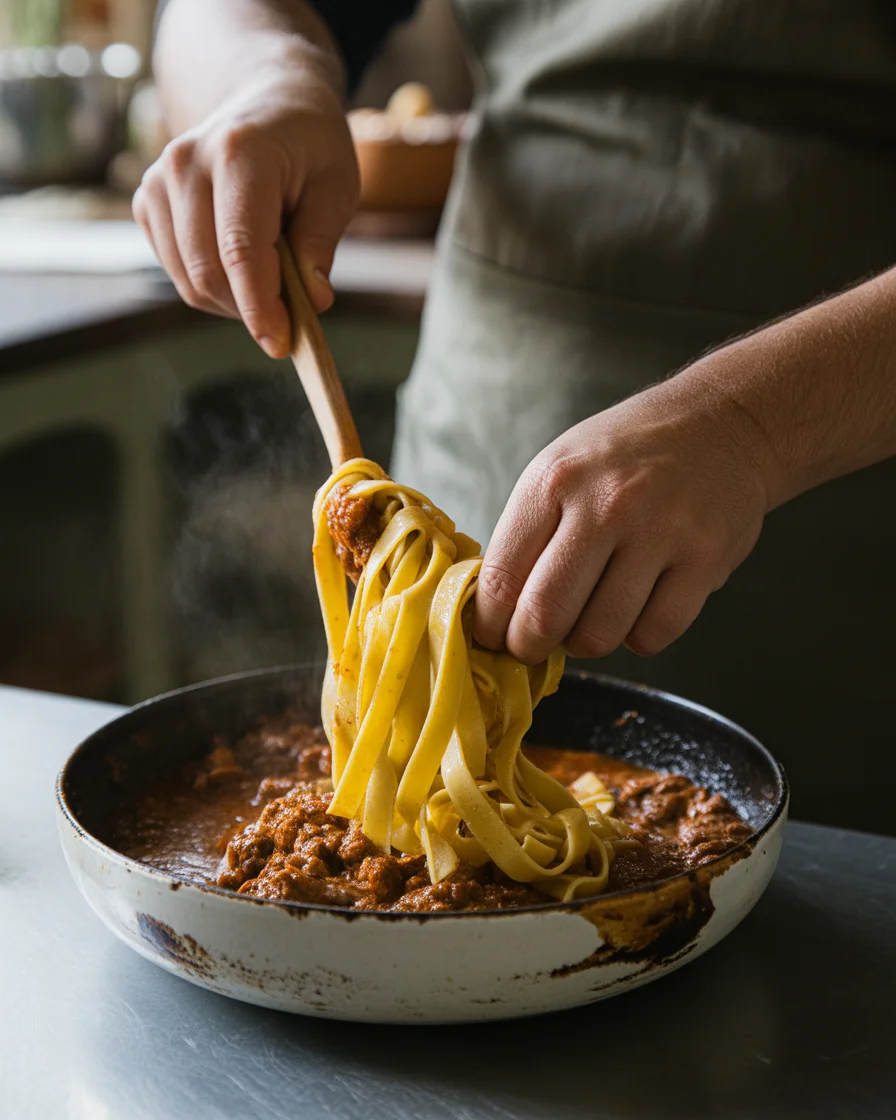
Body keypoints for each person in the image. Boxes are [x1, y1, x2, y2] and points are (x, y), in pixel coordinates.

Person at [139, 0, 896, 832]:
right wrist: (263, 81)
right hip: (489, 423)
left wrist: (752, 427)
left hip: (850, 514)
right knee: (415, 779)